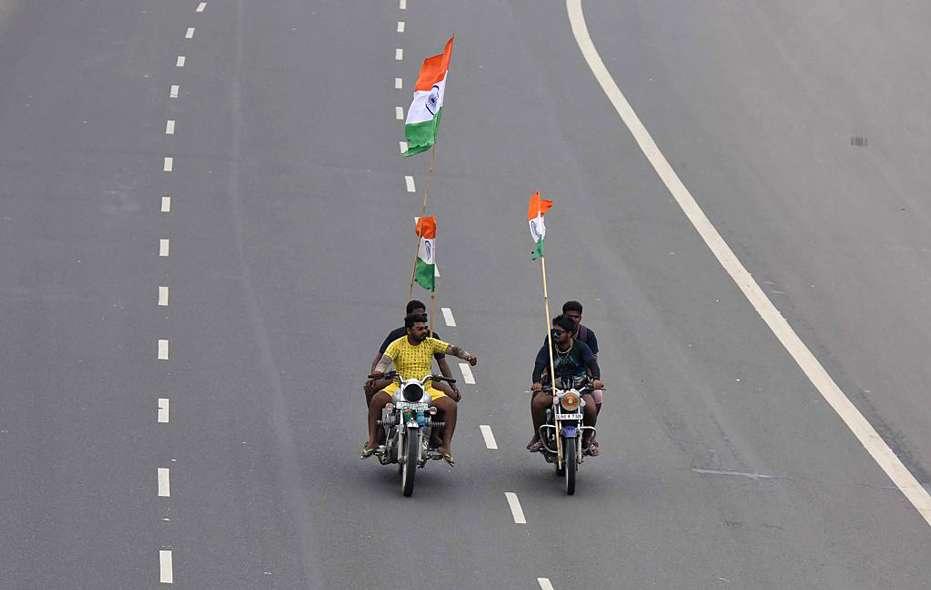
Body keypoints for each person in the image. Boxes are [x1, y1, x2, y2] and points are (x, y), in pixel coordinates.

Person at [365, 313, 478, 464]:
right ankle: (372, 441)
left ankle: (446, 446)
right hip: (400, 386)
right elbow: (384, 362)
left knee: (451, 406)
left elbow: (453, 349)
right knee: (376, 401)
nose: (424, 331)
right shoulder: (397, 344)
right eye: (419, 329)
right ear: (409, 330)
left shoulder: (431, 343)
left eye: (425, 328)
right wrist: (378, 373)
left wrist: (468, 357)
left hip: (426, 388)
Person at [528, 314, 604, 455]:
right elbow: (538, 366)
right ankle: (540, 436)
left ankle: (587, 439)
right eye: (553, 331)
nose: (555, 335)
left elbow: (592, 364)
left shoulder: (582, 347)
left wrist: (596, 379)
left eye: (559, 332)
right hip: (554, 388)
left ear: (569, 334)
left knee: (591, 409)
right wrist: (537, 382)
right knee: (537, 403)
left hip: (579, 389)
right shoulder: (548, 348)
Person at [366, 300, 460, 405]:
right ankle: (374, 418)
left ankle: (434, 418)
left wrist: (452, 385)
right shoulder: (396, 336)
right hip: (399, 379)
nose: (421, 317)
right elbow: (380, 360)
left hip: (424, 380)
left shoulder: (431, 337)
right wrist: (374, 377)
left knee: (453, 398)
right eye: (417, 315)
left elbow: (442, 363)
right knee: (370, 390)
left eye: (423, 315)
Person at [543, 301, 602, 412]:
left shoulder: (587, 335)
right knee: (538, 401)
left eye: (576, 317)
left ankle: (588, 425)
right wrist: (543, 376)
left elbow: (593, 361)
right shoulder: (553, 335)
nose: (573, 320)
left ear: (580, 318)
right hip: (556, 380)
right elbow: (544, 358)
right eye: (570, 317)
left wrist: (594, 379)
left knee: (597, 396)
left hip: (581, 381)